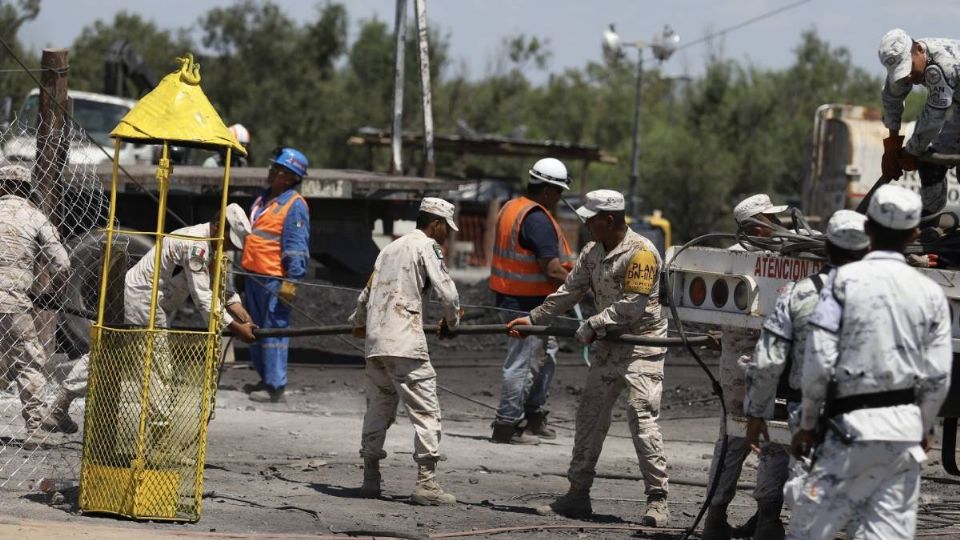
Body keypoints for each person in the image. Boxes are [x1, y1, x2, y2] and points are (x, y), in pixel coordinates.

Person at [787, 184, 952, 540]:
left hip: (847, 431)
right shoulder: (930, 294)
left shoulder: (842, 282)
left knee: (807, 532)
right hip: (902, 437)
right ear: (912, 234)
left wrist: (808, 423)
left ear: (869, 229)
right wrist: (922, 427)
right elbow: (938, 376)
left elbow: (818, 359)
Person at [510, 190, 671, 527]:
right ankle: (577, 494)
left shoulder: (641, 253)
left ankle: (658, 500)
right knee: (589, 418)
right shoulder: (591, 252)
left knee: (639, 416)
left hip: (642, 345)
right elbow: (570, 290)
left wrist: (593, 324)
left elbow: (633, 306)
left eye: (590, 219)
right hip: (609, 347)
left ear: (609, 220)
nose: (585, 224)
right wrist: (535, 319)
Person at [41, 204, 258, 434]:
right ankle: (157, 434)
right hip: (145, 300)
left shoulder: (210, 244)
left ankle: (58, 408)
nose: (230, 246)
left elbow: (219, 285)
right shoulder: (196, 245)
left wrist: (244, 315)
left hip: (144, 298)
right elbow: (203, 296)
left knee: (108, 353)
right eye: (229, 240)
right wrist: (235, 327)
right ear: (217, 227)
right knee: (156, 366)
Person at [741, 210, 870, 539]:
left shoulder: (798, 294)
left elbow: (769, 360)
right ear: (868, 249)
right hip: (872, 418)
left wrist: (757, 413)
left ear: (826, 248)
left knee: (810, 505)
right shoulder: (891, 298)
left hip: (810, 417)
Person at [348, 197, 462, 506]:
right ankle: (426, 483)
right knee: (426, 411)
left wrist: (361, 325)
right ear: (435, 224)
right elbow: (447, 290)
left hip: (376, 342)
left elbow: (366, 293)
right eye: (445, 229)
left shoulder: (388, 249)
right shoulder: (426, 246)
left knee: (378, 407)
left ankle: (370, 478)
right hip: (404, 342)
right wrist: (453, 322)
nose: (446, 236)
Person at [701, 193, 792, 540]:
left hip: (732, 367)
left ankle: (715, 518)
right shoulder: (777, 258)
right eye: (773, 220)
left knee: (731, 437)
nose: (780, 226)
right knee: (772, 438)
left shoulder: (730, 260)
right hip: (767, 365)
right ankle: (768, 521)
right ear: (758, 226)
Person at [488, 157, 575, 444]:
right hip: (525, 304)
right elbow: (550, 268)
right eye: (559, 192)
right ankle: (507, 424)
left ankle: (534, 414)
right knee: (522, 364)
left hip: (518, 298)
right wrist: (583, 288)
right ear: (549, 189)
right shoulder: (536, 218)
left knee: (546, 355)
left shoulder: (513, 207)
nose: (560, 198)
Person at [0, 164, 70, 448]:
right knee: (28, 361)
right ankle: (37, 427)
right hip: (13, 302)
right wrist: (54, 291)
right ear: (27, 190)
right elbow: (62, 263)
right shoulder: (34, 216)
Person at [241, 146, 310, 403]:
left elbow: (297, 248)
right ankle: (264, 377)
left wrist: (291, 283)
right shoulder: (263, 199)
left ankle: (275, 386)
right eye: (273, 168)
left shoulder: (294, 205)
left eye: (279, 171)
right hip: (255, 276)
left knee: (275, 332)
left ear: (291, 177)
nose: (272, 173)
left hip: (274, 280)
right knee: (257, 330)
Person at [878, 28, 960, 216]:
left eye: (908, 68)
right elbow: (892, 99)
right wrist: (892, 145)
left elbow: (933, 118)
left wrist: (911, 151)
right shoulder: (906, 61)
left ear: (920, 50)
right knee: (931, 161)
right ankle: (928, 220)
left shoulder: (941, 65)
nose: (907, 77)